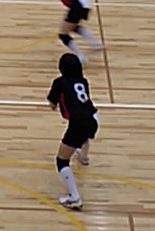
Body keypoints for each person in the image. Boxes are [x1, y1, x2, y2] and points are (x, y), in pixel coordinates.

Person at [47, 53, 100, 210]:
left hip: (78, 123)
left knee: (62, 161)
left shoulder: (59, 83)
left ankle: (75, 198)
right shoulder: (83, 81)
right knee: (84, 136)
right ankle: (84, 156)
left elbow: (52, 104)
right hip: (94, 117)